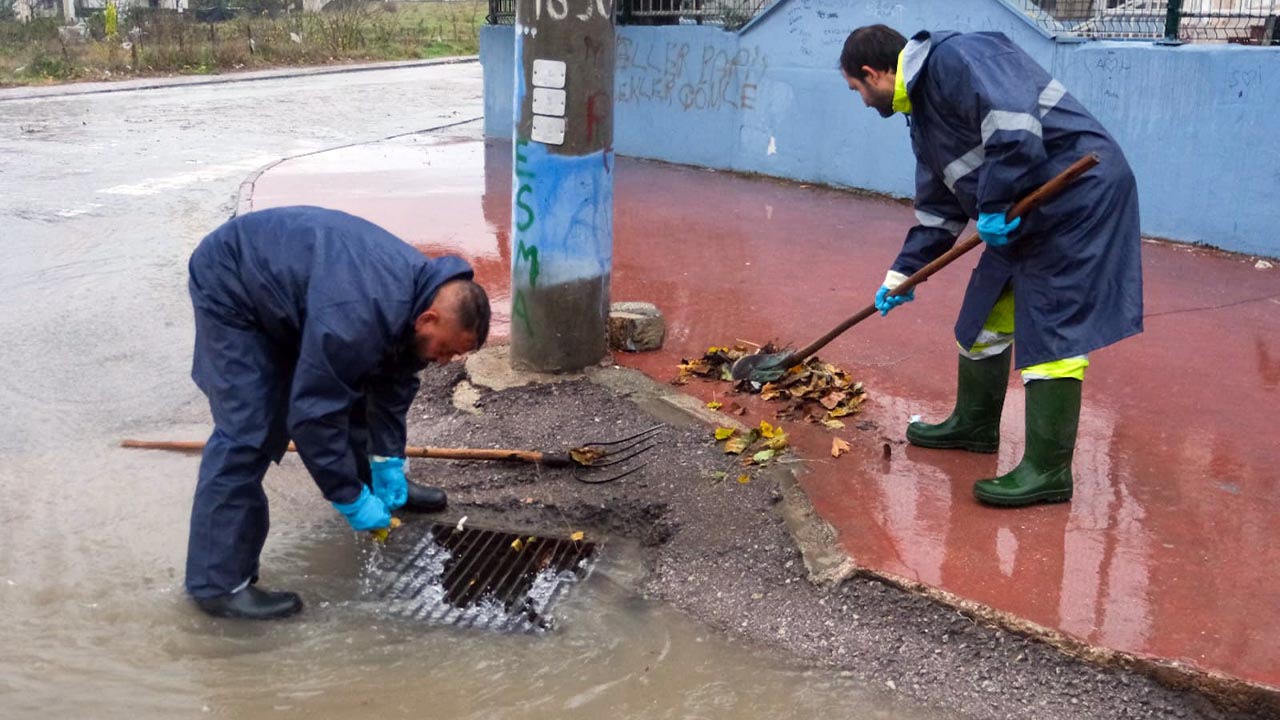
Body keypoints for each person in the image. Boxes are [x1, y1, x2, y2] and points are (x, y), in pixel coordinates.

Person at [838, 25, 1142, 507]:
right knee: (981, 319)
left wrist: (995, 203)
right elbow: (939, 211)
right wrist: (901, 274)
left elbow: (1014, 127)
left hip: (1077, 196)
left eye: (857, 89)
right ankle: (975, 426)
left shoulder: (959, 55)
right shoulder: (923, 119)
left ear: (874, 72)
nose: (862, 101)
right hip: (1023, 210)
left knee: (1052, 329)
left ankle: (1048, 471)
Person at [185, 205, 490, 619]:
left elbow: (393, 383)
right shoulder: (356, 319)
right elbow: (312, 416)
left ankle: (373, 485)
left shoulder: (420, 296)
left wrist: (388, 462)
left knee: (359, 379)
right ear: (427, 318)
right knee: (249, 431)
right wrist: (345, 498)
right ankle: (218, 584)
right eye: (447, 350)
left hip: (303, 290)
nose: (445, 361)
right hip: (234, 283)